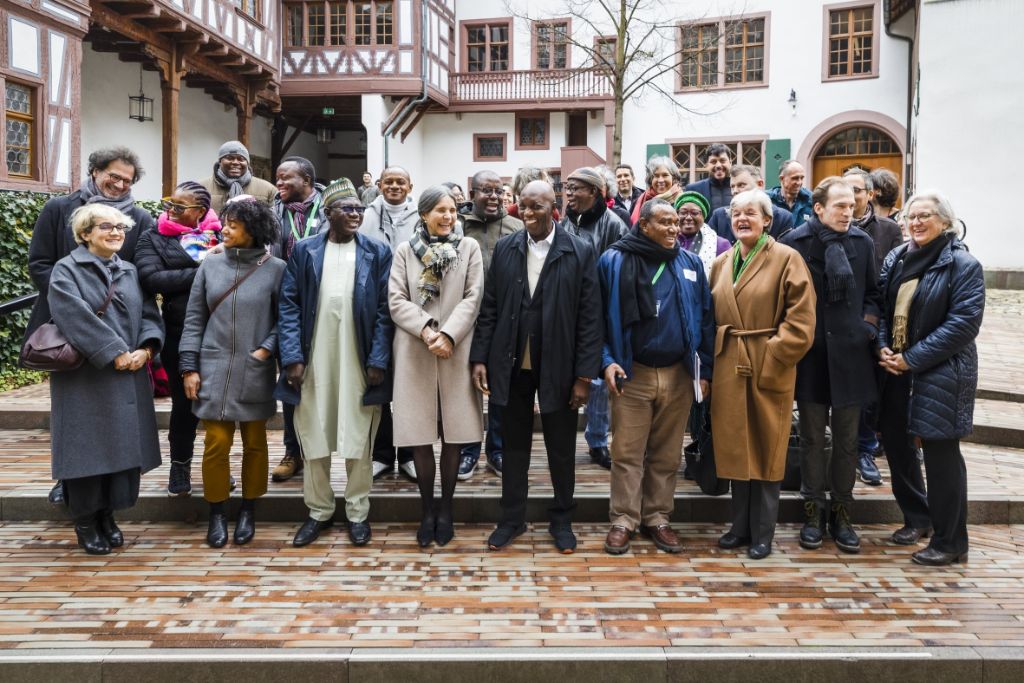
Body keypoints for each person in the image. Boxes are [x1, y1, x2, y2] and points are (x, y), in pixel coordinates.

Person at [471, 180, 602, 554]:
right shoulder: (507, 247)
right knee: (514, 446)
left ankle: (562, 519)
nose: (528, 214)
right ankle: (511, 518)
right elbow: (490, 307)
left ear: (554, 207)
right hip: (511, 361)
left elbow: (590, 317)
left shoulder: (579, 250)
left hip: (560, 363)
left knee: (561, 446)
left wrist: (583, 376)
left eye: (536, 207)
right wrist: (481, 357)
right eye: (523, 207)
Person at [25, 145, 155, 507]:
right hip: (69, 326)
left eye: (127, 181)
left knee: (115, 421)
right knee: (78, 419)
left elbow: (140, 271)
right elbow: (40, 264)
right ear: (95, 170)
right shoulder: (59, 209)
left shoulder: (141, 219)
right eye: (113, 175)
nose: (118, 184)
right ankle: (71, 483)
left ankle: (105, 502)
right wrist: (77, 297)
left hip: (124, 327)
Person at [277, 178, 395, 547]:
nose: (356, 214)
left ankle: (358, 511)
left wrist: (378, 359)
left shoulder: (377, 251)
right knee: (313, 433)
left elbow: (383, 311)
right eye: (347, 209)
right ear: (328, 214)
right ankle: (319, 511)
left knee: (359, 435)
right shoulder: (305, 251)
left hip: (359, 361)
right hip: (314, 360)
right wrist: (292, 357)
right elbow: (289, 304)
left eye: (359, 208)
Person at [599, 199, 714, 555]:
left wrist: (704, 369)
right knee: (627, 452)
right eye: (663, 222)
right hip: (632, 373)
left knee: (666, 455)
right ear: (643, 225)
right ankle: (624, 519)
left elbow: (706, 319)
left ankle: (658, 517)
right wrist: (605, 361)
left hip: (678, 374)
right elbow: (596, 318)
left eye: (675, 222)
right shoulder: (614, 261)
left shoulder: (691, 263)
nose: (672, 229)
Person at [47, 204, 164, 554]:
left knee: (121, 450)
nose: (115, 233)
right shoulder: (66, 270)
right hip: (85, 377)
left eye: (120, 228)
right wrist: (114, 351)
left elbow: (148, 312)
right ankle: (85, 520)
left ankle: (108, 515)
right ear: (85, 233)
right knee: (87, 452)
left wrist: (146, 348)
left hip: (128, 373)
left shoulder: (128, 270)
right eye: (105, 227)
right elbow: (73, 316)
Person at [876, 190, 984, 566]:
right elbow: (882, 307)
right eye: (911, 216)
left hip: (941, 373)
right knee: (897, 446)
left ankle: (951, 541)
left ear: (945, 222)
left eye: (925, 216)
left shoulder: (962, 264)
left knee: (941, 458)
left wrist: (911, 359)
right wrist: (884, 347)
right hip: (896, 369)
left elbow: (962, 325)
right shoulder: (897, 257)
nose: (917, 222)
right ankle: (917, 519)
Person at [709, 190, 816, 559]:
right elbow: (711, 314)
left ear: (767, 220)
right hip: (729, 364)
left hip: (769, 364)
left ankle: (763, 533)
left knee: (767, 449)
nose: (742, 218)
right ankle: (739, 526)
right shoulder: (722, 262)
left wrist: (772, 356)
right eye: (736, 213)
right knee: (736, 446)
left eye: (750, 213)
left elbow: (801, 322)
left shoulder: (788, 259)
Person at [781, 177, 882, 555]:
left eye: (852, 205)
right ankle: (812, 513)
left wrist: (867, 330)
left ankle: (841, 513)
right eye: (840, 205)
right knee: (809, 440)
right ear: (818, 208)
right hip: (810, 359)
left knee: (847, 441)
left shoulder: (862, 242)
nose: (849, 211)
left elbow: (873, 295)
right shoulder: (794, 243)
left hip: (851, 359)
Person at [179, 197, 285, 547]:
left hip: (254, 367)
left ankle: (249, 509)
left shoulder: (276, 269)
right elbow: (194, 317)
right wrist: (189, 366)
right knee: (216, 442)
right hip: (213, 364)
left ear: (252, 230)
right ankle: (217, 513)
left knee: (255, 442)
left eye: (233, 225)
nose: (223, 229)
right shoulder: (209, 265)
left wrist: (266, 349)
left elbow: (285, 319)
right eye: (225, 223)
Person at [389, 186, 484, 547]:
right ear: (424, 214)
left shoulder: (468, 248)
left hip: (456, 350)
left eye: (453, 211)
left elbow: (474, 296)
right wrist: (427, 330)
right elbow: (395, 298)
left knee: (454, 434)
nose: (448, 217)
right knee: (420, 434)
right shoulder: (404, 251)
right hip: (415, 349)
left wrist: (448, 335)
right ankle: (426, 509)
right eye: (440, 211)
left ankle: (447, 508)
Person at [135, 181, 222, 497]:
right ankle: (180, 467)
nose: (170, 209)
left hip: (221, 333)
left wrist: (194, 270)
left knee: (218, 406)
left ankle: (217, 467)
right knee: (184, 406)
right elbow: (152, 278)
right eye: (170, 203)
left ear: (200, 211)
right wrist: (206, 267)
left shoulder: (222, 232)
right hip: (178, 331)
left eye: (179, 206)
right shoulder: (153, 236)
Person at [457, 170, 525, 480]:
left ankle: (496, 449)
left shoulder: (516, 228)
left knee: (500, 388)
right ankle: (468, 450)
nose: (495, 196)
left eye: (499, 190)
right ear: (472, 193)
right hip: (465, 319)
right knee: (466, 388)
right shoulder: (457, 228)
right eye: (487, 190)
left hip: (503, 319)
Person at [561, 167, 628, 470]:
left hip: (599, 312)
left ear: (594, 191)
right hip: (566, 312)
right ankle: (561, 438)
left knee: (599, 381)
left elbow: (619, 271)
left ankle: (597, 441)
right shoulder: (565, 222)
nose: (569, 194)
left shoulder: (613, 224)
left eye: (575, 188)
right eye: (567, 188)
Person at [269, 156, 328, 484]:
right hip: (286, 307)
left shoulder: (330, 209)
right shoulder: (273, 212)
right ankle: (293, 452)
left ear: (306, 179)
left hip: (325, 307)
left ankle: (321, 450)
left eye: (285, 178)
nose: (279, 184)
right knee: (291, 379)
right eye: (277, 178)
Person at [844, 167, 904, 487]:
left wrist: (874, 321)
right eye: (846, 189)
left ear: (869, 194)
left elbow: (889, 277)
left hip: (874, 320)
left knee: (871, 390)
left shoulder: (888, 229)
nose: (851, 196)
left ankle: (865, 449)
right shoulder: (831, 226)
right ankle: (844, 449)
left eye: (856, 190)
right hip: (839, 323)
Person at [359, 165, 419, 482]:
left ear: (410, 185)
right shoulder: (367, 215)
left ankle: (408, 453)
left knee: (408, 386)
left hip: (411, 307)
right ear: (380, 185)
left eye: (401, 181)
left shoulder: (421, 216)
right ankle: (382, 454)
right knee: (378, 383)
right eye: (389, 181)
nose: (394, 186)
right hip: (374, 308)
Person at [707, 165, 795, 243]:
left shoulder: (783, 218)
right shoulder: (719, 216)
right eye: (732, 186)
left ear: (760, 184)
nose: (735, 191)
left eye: (741, 185)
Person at [199, 140, 276, 213]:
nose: (235, 162)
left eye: (241, 159)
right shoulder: (201, 188)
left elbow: (276, 221)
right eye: (229, 158)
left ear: (247, 163)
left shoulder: (268, 190)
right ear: (220, 161)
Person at [630, 156, 684, 225]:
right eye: (656, 176)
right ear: (650, 179)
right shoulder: (639, 201)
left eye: (665, 175)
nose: (660, 180)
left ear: (674, 178)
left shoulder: (682, 202)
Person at [685, 143, 733, 213]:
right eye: (713, 162)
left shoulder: (742, 188)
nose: (718, 165)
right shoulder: (693, 190)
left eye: (722, 161)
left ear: (730, 162)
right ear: (707, 165)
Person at [768, 160, 813, 227]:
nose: (799, 182)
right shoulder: (768, 200)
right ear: (782, 179)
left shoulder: (811, 200)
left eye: (802, 178)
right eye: (795, 178)